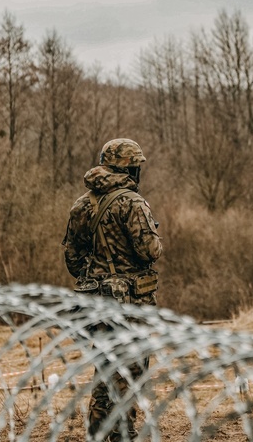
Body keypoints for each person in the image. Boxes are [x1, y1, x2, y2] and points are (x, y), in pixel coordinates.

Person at [62, 138, 162, 441]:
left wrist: (97, 276)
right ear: (130, 168)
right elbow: (149, 251)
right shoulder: (132, 203)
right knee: (129, 374)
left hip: (95, 304)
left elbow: (71, 257)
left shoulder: (81, 205)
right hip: (130, 304)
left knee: (105, 371)